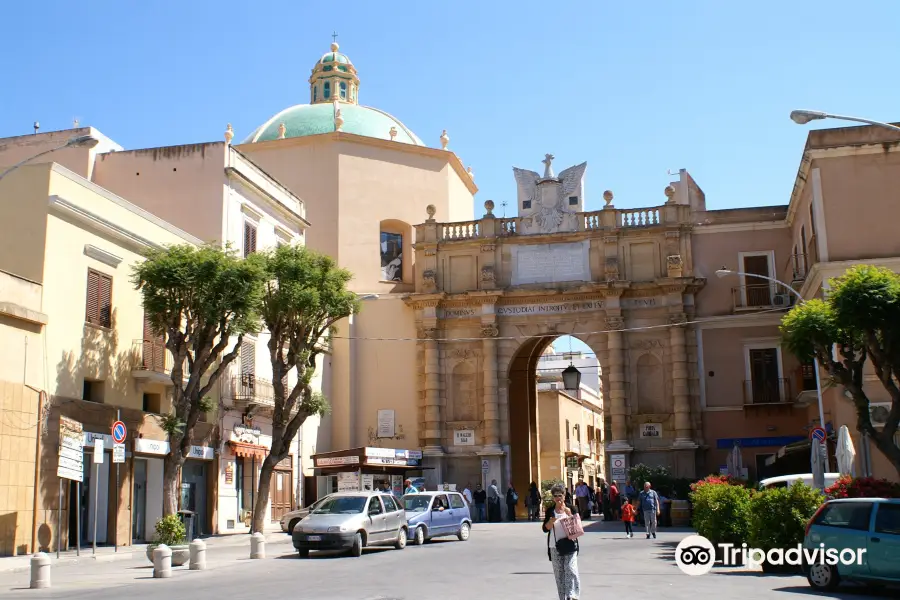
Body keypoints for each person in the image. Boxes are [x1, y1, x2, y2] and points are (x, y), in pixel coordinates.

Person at [543, 483, 581, 600]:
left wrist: (569, 513)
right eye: (555, 496)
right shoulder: (550, 511)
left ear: (564, 496)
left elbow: (578, 526)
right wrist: (551, 521)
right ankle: (563, 597)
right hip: (555, 546)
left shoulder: (571, 508)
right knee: (559, 574)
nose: (558, 498)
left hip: (570, 544)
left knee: (570, 568)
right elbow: (545, 529)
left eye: (560, 495)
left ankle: (572, 595)